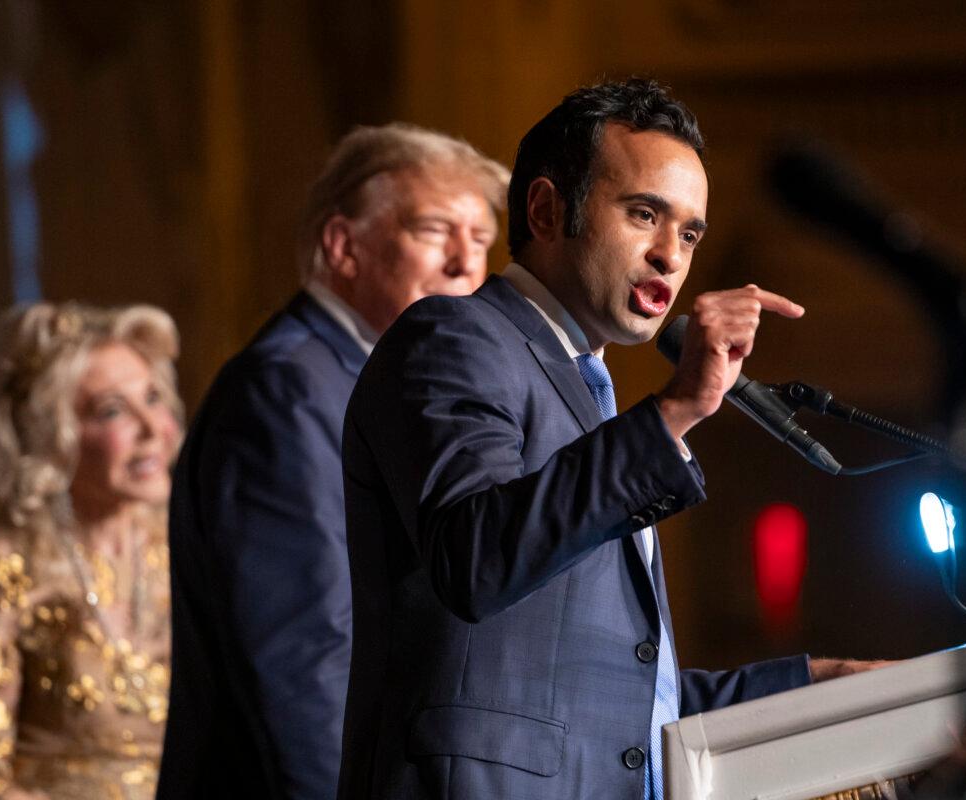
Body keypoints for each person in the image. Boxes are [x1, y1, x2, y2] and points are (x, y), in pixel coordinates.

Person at [339, 79, 883, 800]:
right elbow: (473, 556)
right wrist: (677, 410)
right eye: (644, 214)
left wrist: (826, 683)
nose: (670, 255)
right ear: (545, 209)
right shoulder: (454, 338)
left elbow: (625, 708)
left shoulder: (593, 401)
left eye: (689, 233)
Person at [157, 123, 510, 800]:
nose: (469, 265)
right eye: (437, 231)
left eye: (482, 240)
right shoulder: (287, 390)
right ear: (345, 247)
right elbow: (305, 661)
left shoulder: (367, 379)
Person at [0, 302, 184, 800]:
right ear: (55, 436)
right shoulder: (7, 566)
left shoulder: (190, 544)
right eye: (112, 410)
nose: (152, 428)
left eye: (153, 398)